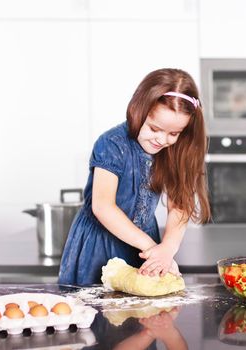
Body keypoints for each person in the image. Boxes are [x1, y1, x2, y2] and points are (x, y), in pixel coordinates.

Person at [59, 68, 211, 286]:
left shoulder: (175, 149)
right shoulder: (111, 144)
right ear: (138, 109)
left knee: (141, 314)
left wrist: (167, 248)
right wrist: (151, 249)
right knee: (98, 314)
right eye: (154, 128)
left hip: (143, 246)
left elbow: (180, 202)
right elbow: (103, 207)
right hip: (99, 246)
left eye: (173, 133)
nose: (162, 139)